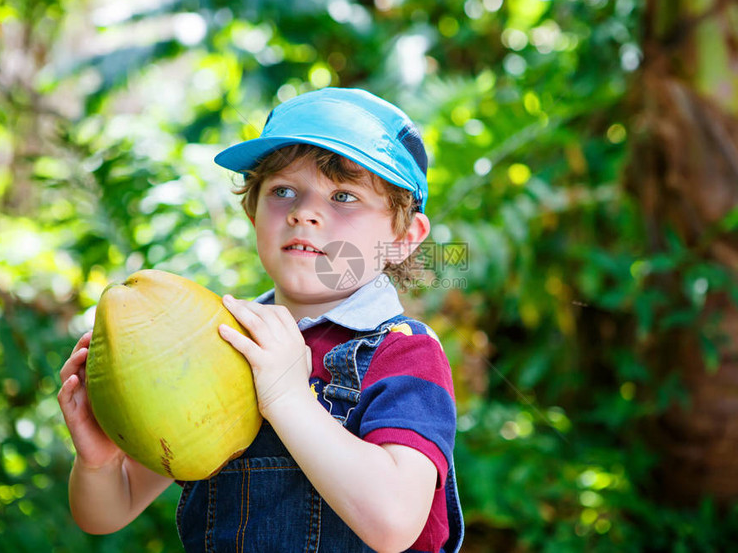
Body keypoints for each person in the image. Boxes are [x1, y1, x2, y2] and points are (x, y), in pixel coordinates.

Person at [58, 87, 464, 553]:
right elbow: (107, 513)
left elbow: (393, 523)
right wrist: (99, 462)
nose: (304, 213)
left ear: (404, 237)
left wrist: (287, 396)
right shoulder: (218, 339)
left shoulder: (405, 352)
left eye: (344, 196)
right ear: (252, 211)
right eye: (283, 191)